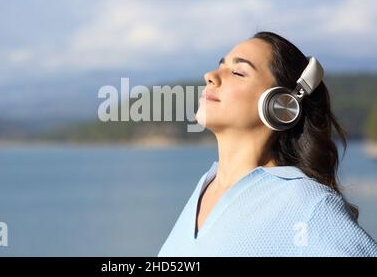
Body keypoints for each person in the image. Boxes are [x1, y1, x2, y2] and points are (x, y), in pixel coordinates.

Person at [157, 31, 377, 257]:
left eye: (238, 72)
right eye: (220, 65)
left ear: (282, 105)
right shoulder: (206, 185)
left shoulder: (309, 204)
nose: (210, 76)